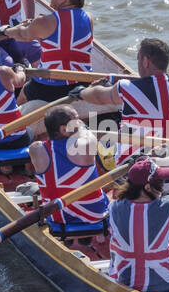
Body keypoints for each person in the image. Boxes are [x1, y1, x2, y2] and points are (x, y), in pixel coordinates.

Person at [77, 37, 169, 159]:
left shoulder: (126, 87)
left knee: (84, 131)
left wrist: (82, 92)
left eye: (138, 59)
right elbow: (156, 87)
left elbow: (99, 97)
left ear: (145, 62)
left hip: (134, 165)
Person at [0, 0, 92, 109]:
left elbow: (21, 35)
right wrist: (35, 26)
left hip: (50, 88)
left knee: (24, 92)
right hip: (83, 83)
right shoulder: (88, 18)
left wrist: (6, 31)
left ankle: (11, 120)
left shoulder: (44, 21)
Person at [30, 105, 109, 251]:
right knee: (106, 190)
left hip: (56, 216)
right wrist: (82, 128)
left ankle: (76, 237)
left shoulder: (36, 149)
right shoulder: (86, 145)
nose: (80, 122)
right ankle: (96, 235)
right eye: (76, 120)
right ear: (64, 129)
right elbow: (87, 133)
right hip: (93, 214)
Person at [107, 157, 169, 292]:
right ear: (148, 188)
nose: (163, 186)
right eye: (160, 183)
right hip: (167, 283)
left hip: (126, 281)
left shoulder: (113, 207)